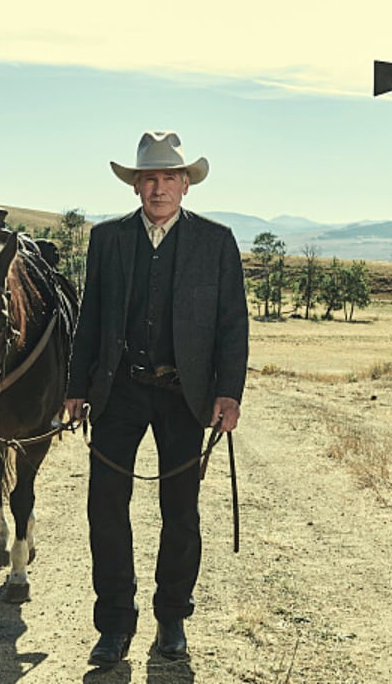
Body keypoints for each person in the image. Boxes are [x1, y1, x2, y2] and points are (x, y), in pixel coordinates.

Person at [64, 130, 249, 667]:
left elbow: (232, 325)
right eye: (150, 178)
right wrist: (77, 389)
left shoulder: (216, 242)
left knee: (181, 513)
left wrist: (228, 394)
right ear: (136, 185)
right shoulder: (108, 239)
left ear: (186, 185)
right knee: (105, 508)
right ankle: (115, 623)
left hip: (182, 397)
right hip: (118, 392)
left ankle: (172, 616)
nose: (159, 188)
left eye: (170, 178)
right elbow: (89, 322)